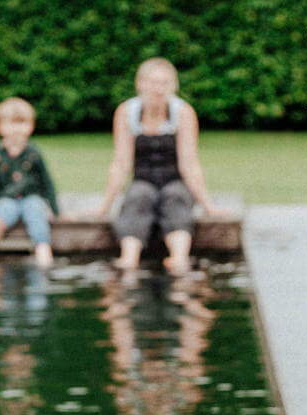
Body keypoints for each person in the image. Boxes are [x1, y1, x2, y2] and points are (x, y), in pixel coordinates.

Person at [96, 57, 223, 274]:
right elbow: (121, 163)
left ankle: (179, 258)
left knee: (176, 198)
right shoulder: (126, 112)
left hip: (175, 178)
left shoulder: (183, 113)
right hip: (143, 179)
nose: (158, 89)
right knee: (137, 197)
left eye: (165, 83)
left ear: (173, 86)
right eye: (153, 82)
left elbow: (189, 164)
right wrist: (104, 207)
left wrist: (208, 206)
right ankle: (129, 258)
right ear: (140, 84)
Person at [0, 96, 58, 268]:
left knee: (37, 216)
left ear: (31, 126)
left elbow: (47, 183)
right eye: (12, 123)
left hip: (31, 197)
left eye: (22, 123)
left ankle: (44, 258)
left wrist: (55, 210)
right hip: (7, 199)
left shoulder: (33, 153)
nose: (17, 129)